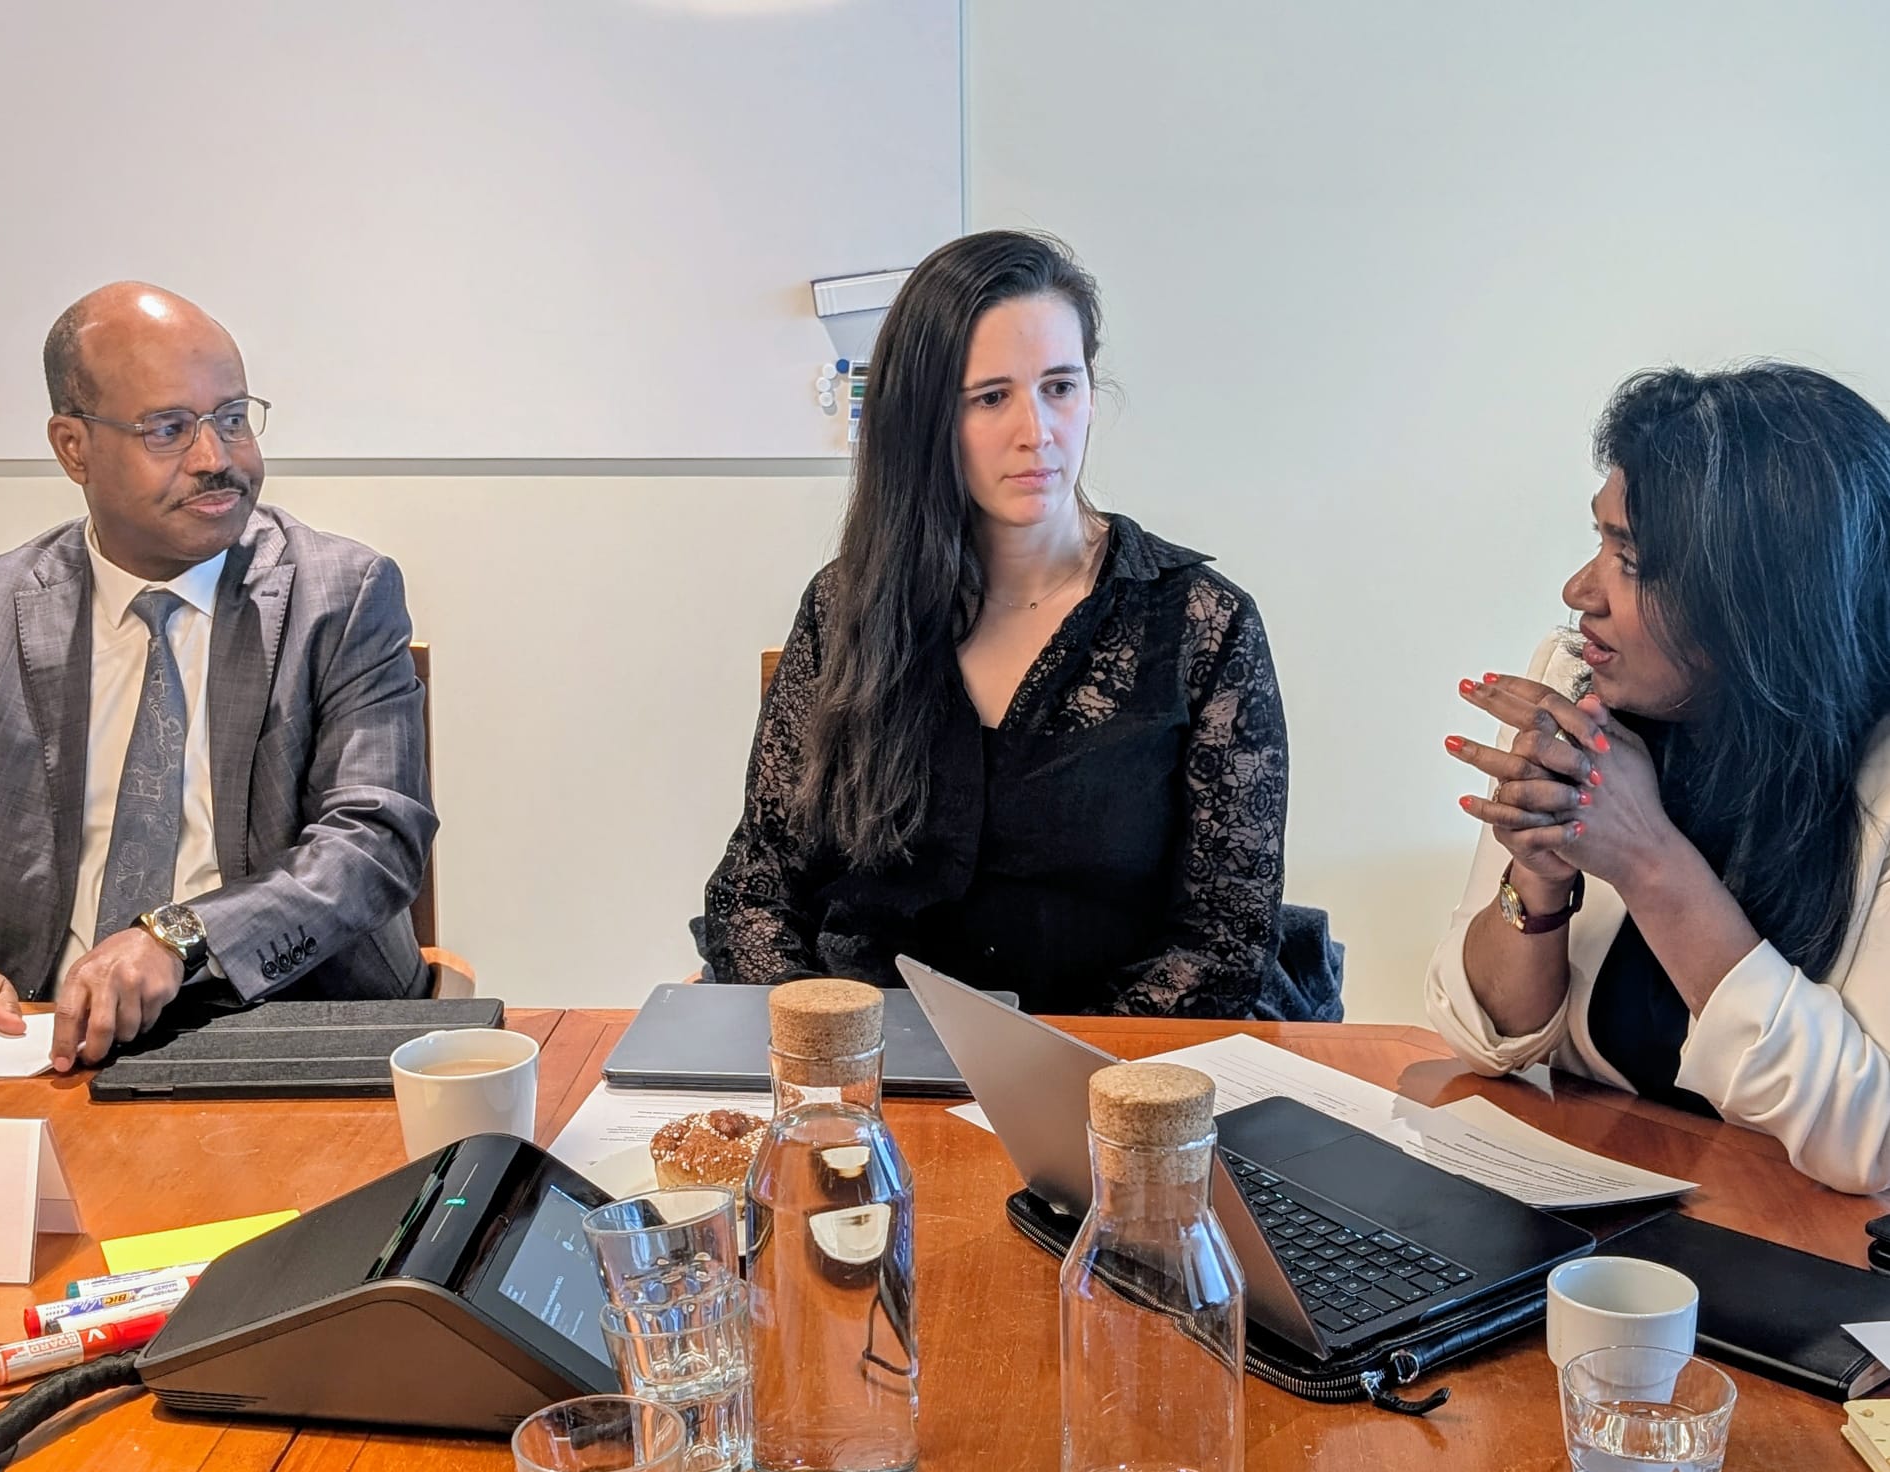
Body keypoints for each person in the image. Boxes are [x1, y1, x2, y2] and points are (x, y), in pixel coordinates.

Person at [701, 231, 1289, 1016]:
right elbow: (757, 889)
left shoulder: (1204, 628)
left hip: (1105, 1081)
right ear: (925, 418)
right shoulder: (844, 609)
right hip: (871, 1070)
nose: (1036, 432)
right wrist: (825, 1053)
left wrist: (1065, 1077)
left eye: (1059, 387)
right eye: (990, 397)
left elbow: (1223, 942)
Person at [0, 283, 437, 1074]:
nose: (217, 459)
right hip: (44, 1042)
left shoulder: (341, 596)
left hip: (289, 1029)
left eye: (233, 419)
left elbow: (373, 841)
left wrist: (178, 935)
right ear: (73, 446)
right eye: (169, 429)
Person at [1429, 362, 1890, 1194]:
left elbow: (1873, 1141)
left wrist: (1649, 860)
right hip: (1602, 1208)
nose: (1579, 591)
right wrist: (1538, 871)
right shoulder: (1579, 693)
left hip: (1808, 1267)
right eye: (1601, 537)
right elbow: (1483, 1036)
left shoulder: (1877, 773)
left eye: (1631, 558)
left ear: (1764, 604)